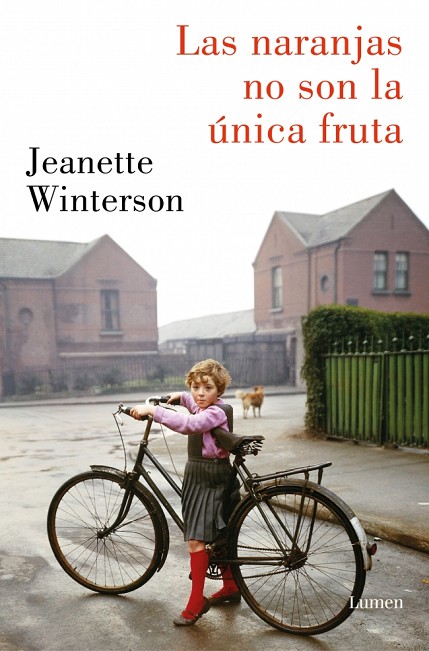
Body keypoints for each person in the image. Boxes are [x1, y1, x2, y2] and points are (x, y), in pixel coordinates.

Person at [130, 358, 241, 626]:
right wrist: (178, 397)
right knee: (220, 534)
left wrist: (153, 411)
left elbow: (189, 424)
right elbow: (191, 402)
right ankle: (230, 586)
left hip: (208, 477)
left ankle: (195, 603)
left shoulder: (214, 413)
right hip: (205, 474)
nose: (200, 394)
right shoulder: (203, 403)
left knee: (196, 540)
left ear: (219, 391)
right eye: (195, 387)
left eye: (208, 388)